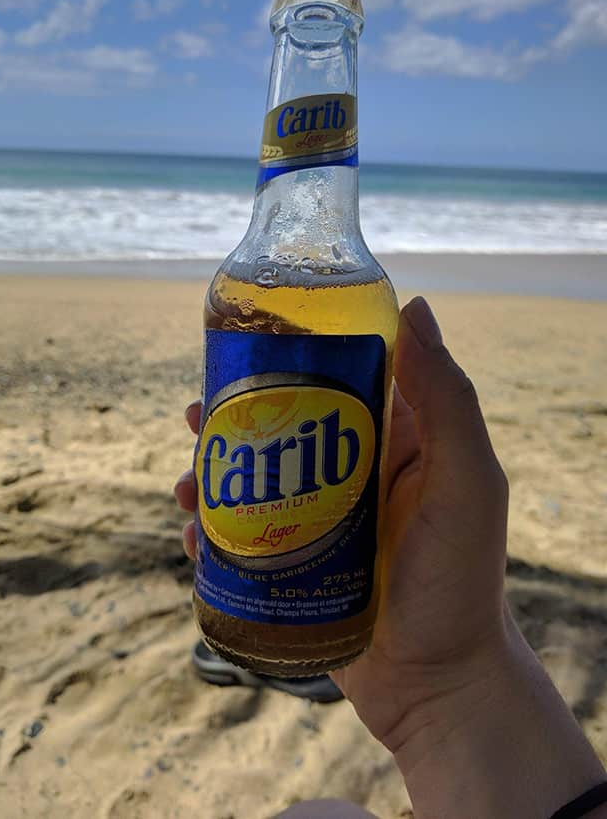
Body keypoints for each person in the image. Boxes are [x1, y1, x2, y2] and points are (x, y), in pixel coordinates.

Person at [174, 296, 607, 819]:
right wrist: (451, 687)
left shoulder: (353, 288)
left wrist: (457, 675)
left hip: (348, 613)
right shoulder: (260, 283)